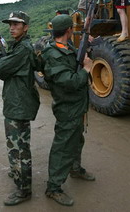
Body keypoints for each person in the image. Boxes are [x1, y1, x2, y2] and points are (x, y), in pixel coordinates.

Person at [42, 14, 94, 206]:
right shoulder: (52, 53)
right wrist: (87, 69)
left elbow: (74, 61)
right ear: (68, 31)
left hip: (77, 105)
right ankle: (53, 187)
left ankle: (75, 168)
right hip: (67, 106)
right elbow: (69, 82)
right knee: (63, 147)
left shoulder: (66, 47)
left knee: (77, 139)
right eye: (73, 29)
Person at [0, 11, 40, 206]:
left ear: (25, 27)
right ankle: (16, 171)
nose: (12, 27)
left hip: (19, 104)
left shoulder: (23, 49)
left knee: (20, 149)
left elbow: (0, 69)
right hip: (15, 101)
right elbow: (6, 72)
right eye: (10, 24)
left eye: (16, 24)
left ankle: (24, 189)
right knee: (14, 145)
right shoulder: (18, 46)